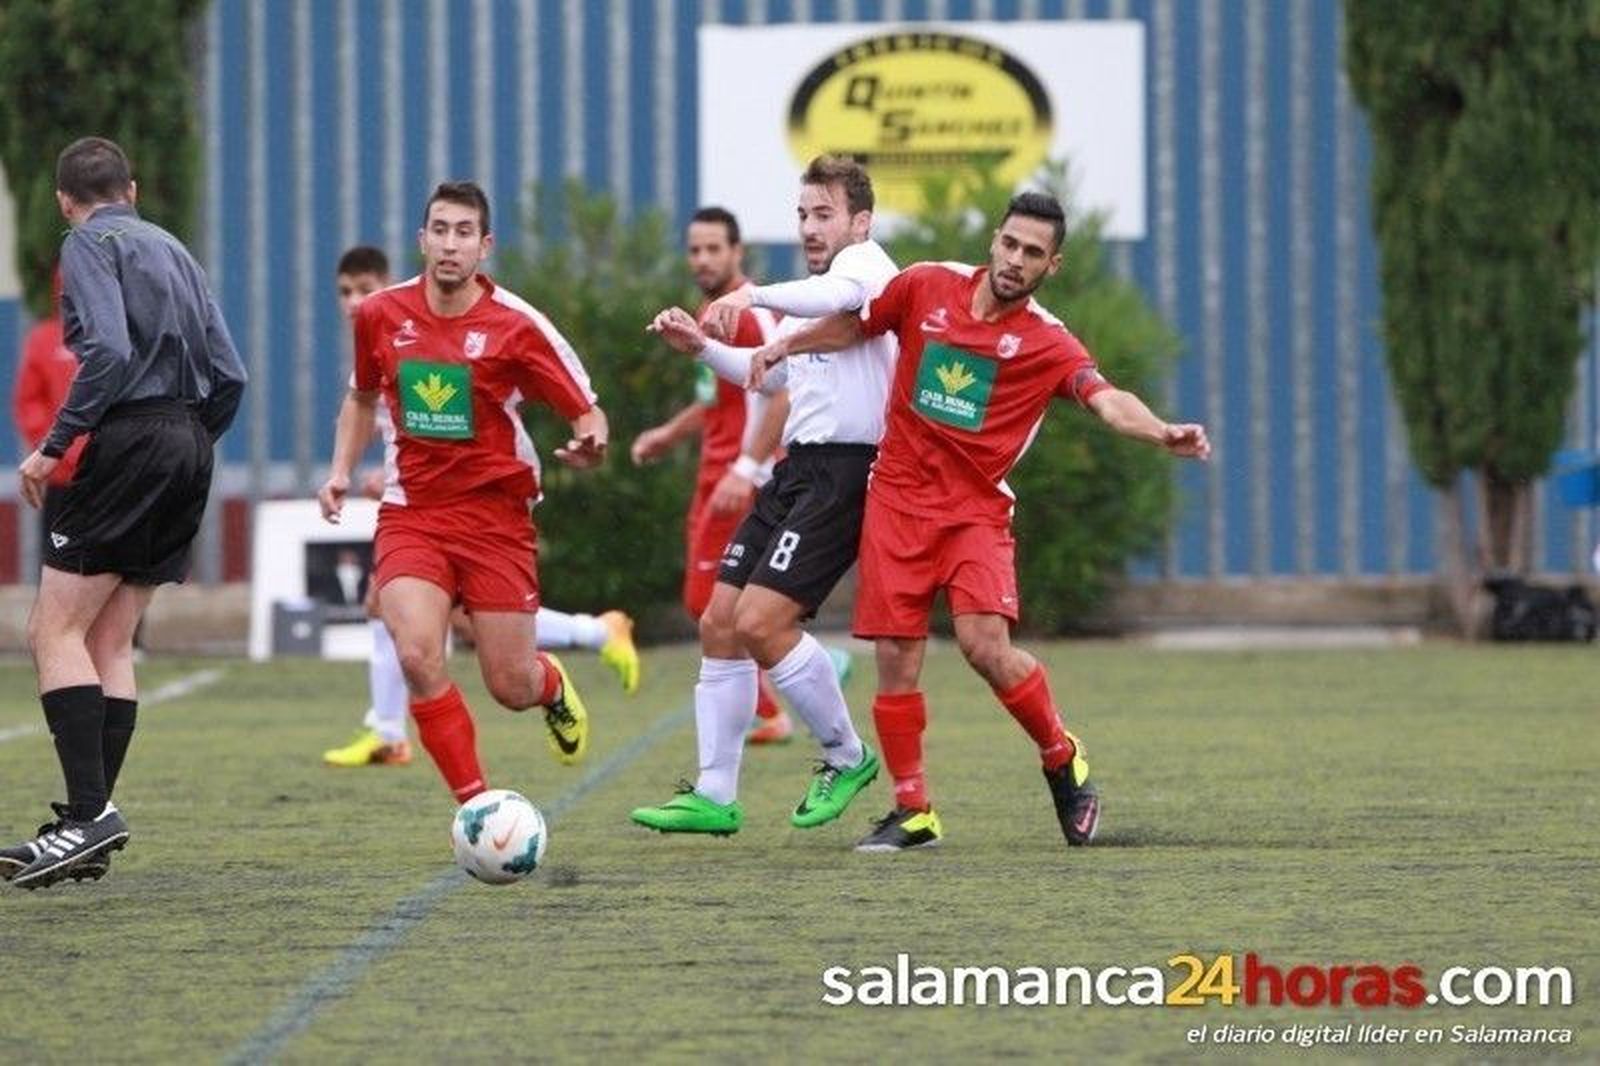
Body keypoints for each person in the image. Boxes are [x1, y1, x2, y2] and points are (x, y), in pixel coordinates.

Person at [752, 191, 1212, 852]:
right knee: (895, 658)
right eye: (1011, 244)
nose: (1016, 260)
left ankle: (1061, 757)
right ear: (994, 240)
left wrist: (1161, 431)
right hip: (897, 500)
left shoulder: (1045, 341)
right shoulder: (925, 286)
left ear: (1051, 266)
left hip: (973, 512)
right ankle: (914, 811)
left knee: (984, 647)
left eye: (1033, 254)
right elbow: (857, 326)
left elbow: (1105, 399)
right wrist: (787, 346)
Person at [0, 137, 248, 888]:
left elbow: (104, 351)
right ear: (132, 189)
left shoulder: (84, 242)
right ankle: (90, 819)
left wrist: (54, 446)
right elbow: (230, 373)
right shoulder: (173, 247)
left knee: (53, 627)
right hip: (190, 440)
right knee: (112, 637)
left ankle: (86, 817)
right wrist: (185, 445)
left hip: (133, 437)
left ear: (63, 201)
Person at [318, 181, 607, 809]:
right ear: (422, 241)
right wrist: (342, 469)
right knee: (418, 655)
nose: (450, 244)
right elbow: (362, 396)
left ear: (485, 246)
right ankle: (477, 807)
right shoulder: (380, 316)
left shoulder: (517, 327)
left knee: (509, 683)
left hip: (494, 517)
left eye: (464, 232)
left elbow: (586, 411)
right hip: (412, 512)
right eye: (440, 230)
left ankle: (551, 685)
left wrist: (590, 443)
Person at [629, 157, 895, 836]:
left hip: (847, 472)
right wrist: (699, 348)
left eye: (823, 213)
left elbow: (829, 309)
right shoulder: (809, 293)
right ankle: (716, 793)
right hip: (797, 471)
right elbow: (765, 378)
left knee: (761, 624)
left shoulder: (866, 268)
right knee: (719, 621)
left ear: (859, 221)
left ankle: (848, 754)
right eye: (803, 214)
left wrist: (752, 297)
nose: (809, 227)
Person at [630, 206, 797, 745]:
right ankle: (788, 677)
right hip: (715, 476)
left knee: (710, 601)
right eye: (694, 249)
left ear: (736, 251)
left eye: (713, 249)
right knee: (711, 602)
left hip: (742, 483)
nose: (702, 259)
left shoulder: (752, 314)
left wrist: (747, 469)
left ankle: (772, 705)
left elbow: (784, 394)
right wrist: (668, 435)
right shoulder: (707, 311)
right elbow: (716, 398)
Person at [11, 268, 88, 553]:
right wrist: (55, 449)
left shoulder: (119, 338)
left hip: (113, 475)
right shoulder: (44, 339)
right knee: (60, 563)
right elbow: (29, 401)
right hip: (63, 478)